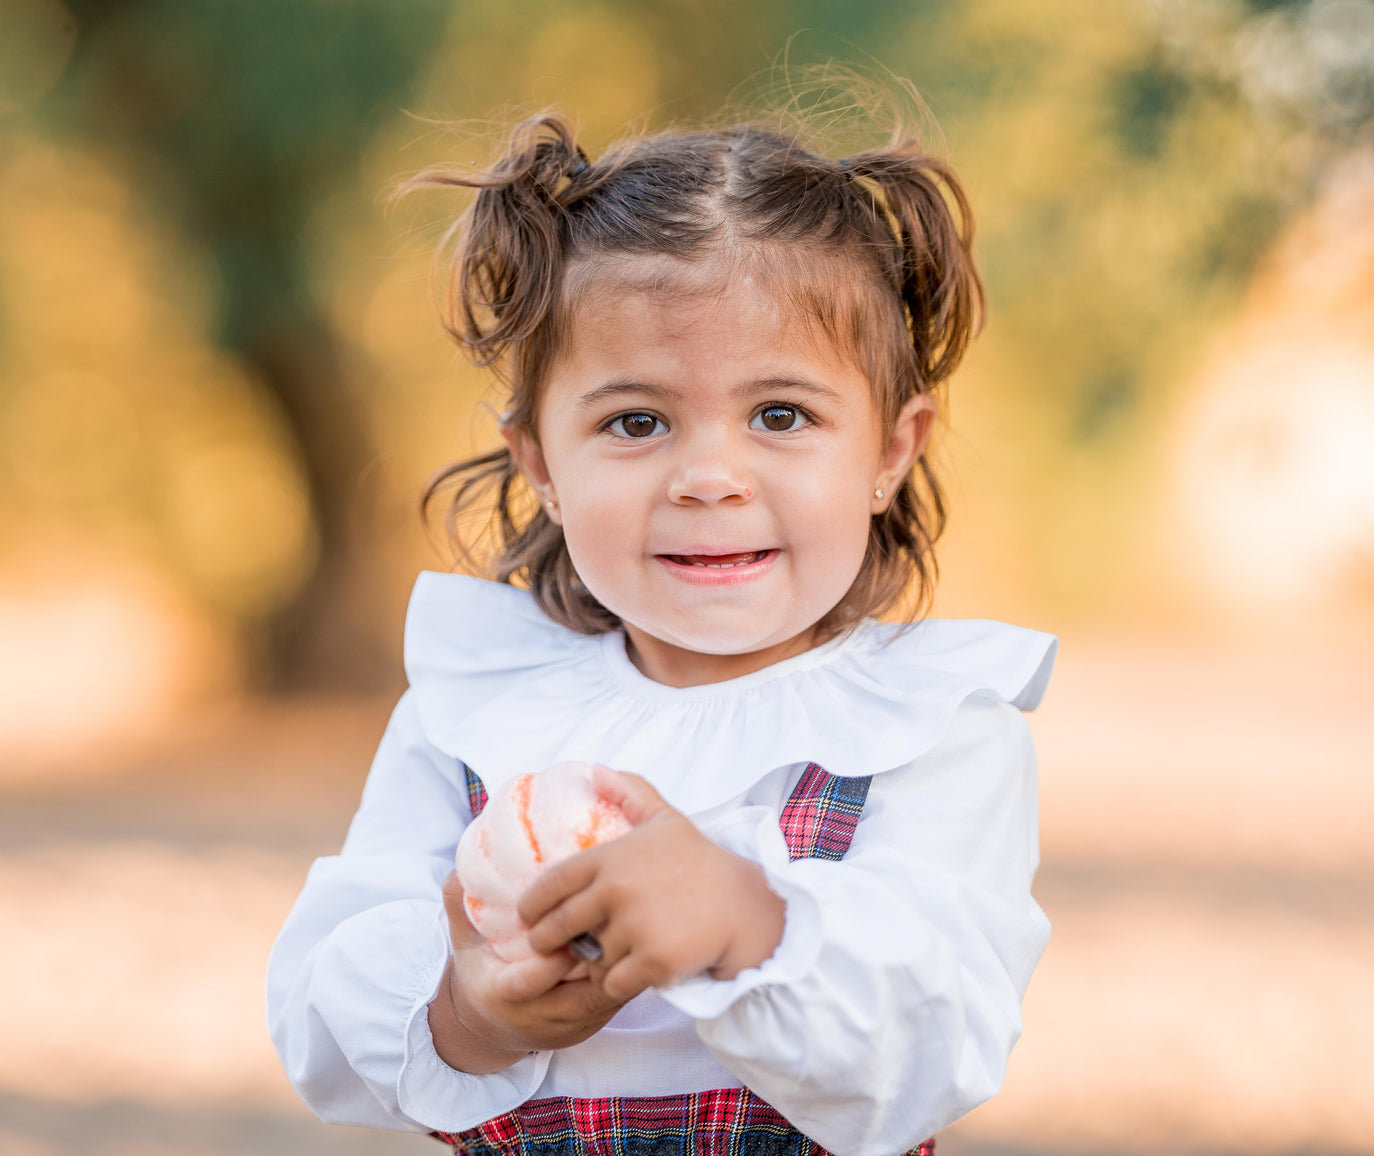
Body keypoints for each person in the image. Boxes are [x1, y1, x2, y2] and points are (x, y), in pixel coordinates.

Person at [267, 101, 1057, 1156]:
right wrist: (471, 1011)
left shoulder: (930, 729)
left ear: (889, 450)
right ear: (540, 461)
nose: (709, 479)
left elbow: (932, 1041)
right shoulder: (475, 713)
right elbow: (320, 1010)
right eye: (634, 422)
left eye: (780, 415)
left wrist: (746, 919)